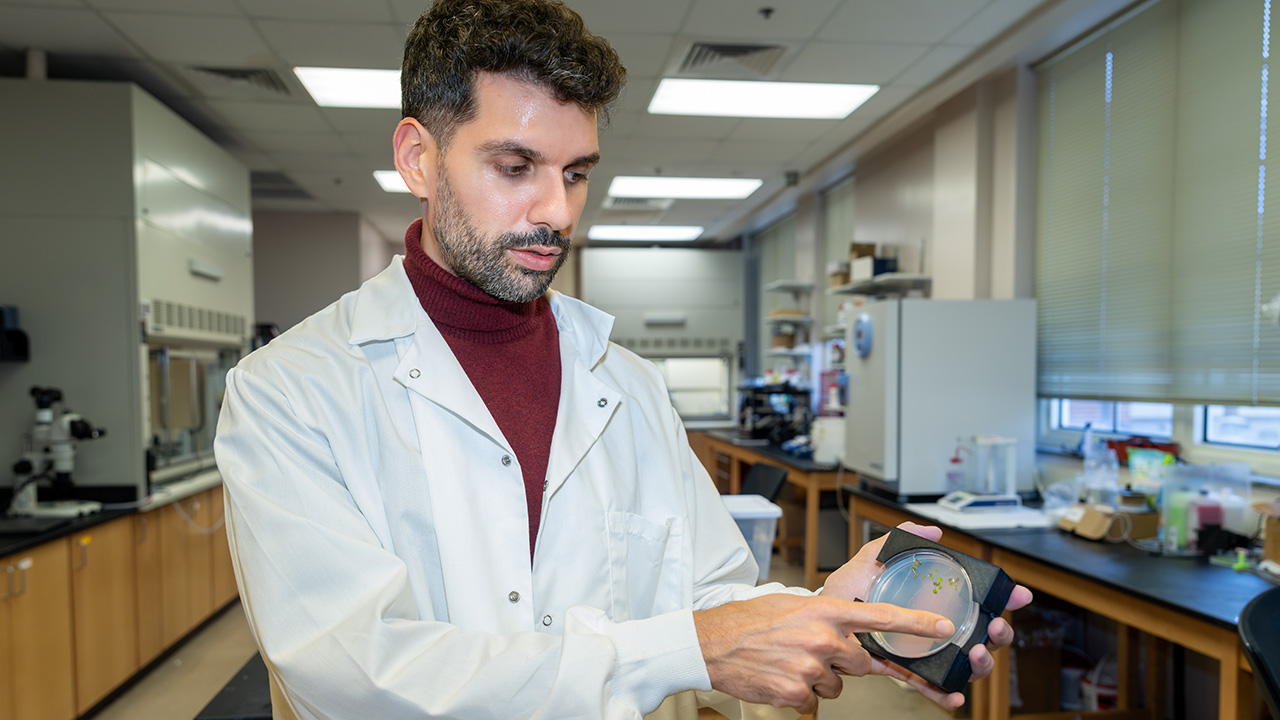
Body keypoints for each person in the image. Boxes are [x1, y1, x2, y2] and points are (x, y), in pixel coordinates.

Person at [213, 1, 1032, 718]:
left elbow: (710, 594)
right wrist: (681, 651)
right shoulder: (291, 390)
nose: (557, 210)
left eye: (576, 173)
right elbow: (352, 675)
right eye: (515, 167)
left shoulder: (626, 383)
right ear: (418, 157)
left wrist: (823, 611)